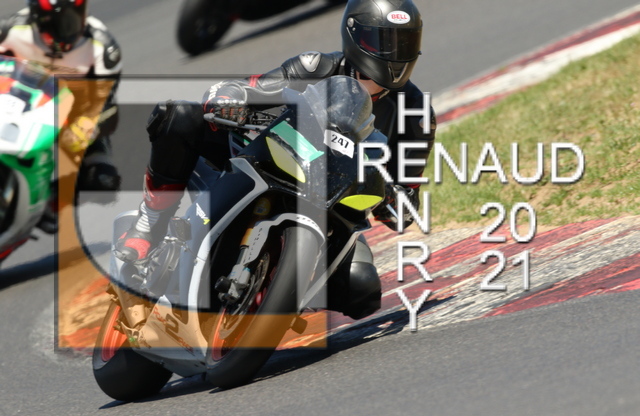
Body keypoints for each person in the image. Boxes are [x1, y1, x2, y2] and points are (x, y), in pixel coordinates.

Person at [117, 0, 436, 319]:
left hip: (333, 207)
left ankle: (274, 296)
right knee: (179, 116)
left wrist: (389, 194)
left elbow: (405, 209)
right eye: (382, 41)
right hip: (268, 162)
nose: (394, 53)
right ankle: (150, 223)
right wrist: (229, 99)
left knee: (361, 290)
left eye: (404, 43)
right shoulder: (315, 67)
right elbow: (252, 88)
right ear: (354, 37)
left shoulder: (417, 115)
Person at [0, 0, 122, 233]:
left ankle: (50, 205)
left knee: (102, 179)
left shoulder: (102, 49)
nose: (70, 29)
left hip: (71, 118)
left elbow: (107, 106)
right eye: (61, 22)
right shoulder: (10, 31)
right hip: (15, 104)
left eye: (76, 16)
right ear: (38, 18)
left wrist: (89, 125)